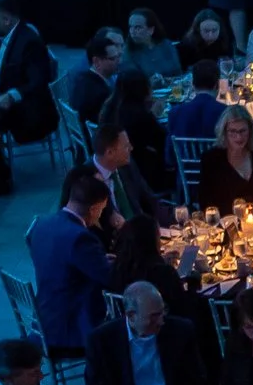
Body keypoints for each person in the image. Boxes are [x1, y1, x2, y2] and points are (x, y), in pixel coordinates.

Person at [84, 282, 209, 385]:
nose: (161, 321)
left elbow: (197, 380)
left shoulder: (180, 331)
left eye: (163, 312)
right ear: (131, 315)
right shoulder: (102, 341)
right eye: (154, 316)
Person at [0, 0, 57, 184]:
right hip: (2, 94)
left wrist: (12, 95)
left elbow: (38, 81)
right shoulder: (5, 35)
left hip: (28, 108)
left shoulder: (29, 41)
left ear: (7, 20)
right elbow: (0, 60)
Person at [26, 168, 112, 354]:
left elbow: (60, 262)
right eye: (102, 210)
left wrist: (97, 260)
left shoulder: (40, 225)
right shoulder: (81, 238)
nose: (100, 215)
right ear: (94, 208)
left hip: (43, 320)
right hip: (69, 329)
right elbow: (111, 278)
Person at [107, 216, 202, 332]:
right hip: (165, 332)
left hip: (127, 330)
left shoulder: (118, 269)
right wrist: (193, 285)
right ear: (151, 241)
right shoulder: (163, 273)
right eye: (159, 237)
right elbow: (183, 310)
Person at [196, 104, 253, 212]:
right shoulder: (211, 159)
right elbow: (205, 202)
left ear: (250, 130)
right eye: (232, 131)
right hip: (227, 222)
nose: (239, 137)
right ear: (224, 132)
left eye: (243, 131)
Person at [98, 70, 171, 192]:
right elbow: (164, 141)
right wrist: (153, 114)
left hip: (114, 169)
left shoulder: (109, 108)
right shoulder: (140, 115)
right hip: (142, 174)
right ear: (142, 89)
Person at [87, 120, 163, 229]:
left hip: (140, 232)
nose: (131, 148)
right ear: (110, 153)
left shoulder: (127, 165)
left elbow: (148, 198)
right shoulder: (86, 179)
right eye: (126, 146)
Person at [66, 29, 123, 129]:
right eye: (113, 59)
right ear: (96, 61)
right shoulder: (102, 94)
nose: (119, 61)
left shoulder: (82, 79)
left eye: (118, 57)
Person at [168, 59, 229, 148]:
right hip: (217, 161)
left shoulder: (175, 113)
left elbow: (170, 155)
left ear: (193, 85)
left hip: (186, 162)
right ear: (217, 85)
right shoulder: (225, 112)